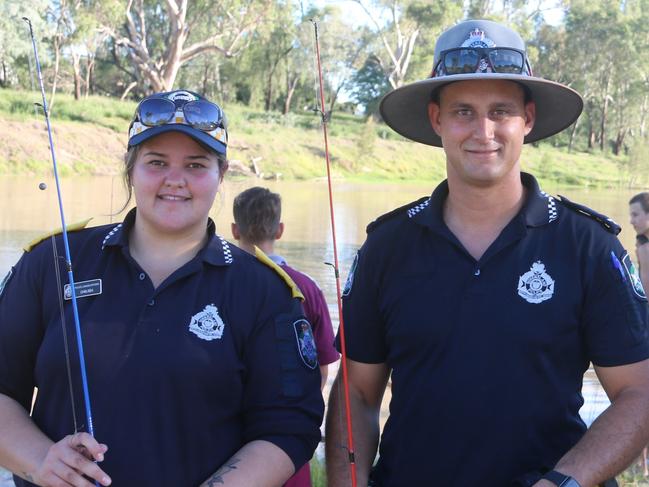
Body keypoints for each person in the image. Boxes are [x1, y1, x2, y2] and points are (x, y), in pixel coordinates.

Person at [325, 19, 649, 487]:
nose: (484, 130)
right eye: (463, 112)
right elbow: (357, 390)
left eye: (501, 111)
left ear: (528, 119)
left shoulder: (587, 245)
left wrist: (563, 483)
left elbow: (638, 393)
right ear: (437, 119)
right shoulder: (386, 247)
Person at [0, 89, 324, 487]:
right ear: (130, 170)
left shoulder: (263, 290)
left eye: (195, 164)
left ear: (220, 175)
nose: (175, 180)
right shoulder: (51, 262)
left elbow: (289, 425)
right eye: (156, 163)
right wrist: (40, 460)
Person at [231, 186, 340, 487]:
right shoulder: (307, 288)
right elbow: (320, 370)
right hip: (287, 455)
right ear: (280, 230)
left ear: (233, 229)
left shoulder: (217, 287)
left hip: (228, 450)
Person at [629, 192, 649, 477]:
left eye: (636, 214)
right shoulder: (642, 242)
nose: (631, 220)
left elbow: (644, 288)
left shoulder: (644, 246)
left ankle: (643, 466)